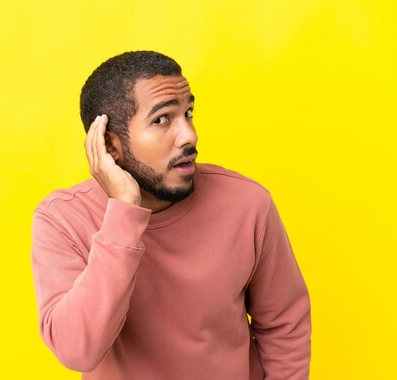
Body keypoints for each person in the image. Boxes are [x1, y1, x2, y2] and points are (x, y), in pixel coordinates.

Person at [31, 51, 311, 380]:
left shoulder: (248, 204)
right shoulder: (62, 219)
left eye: (189, 113)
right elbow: (78, 350)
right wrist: (123, 210)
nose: (189, 135)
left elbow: (284, 326)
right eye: (162, 119)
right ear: (109, 146)